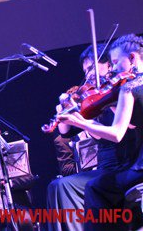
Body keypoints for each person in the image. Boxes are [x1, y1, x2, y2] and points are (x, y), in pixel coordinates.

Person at [46, 44, 137, 231]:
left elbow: (115, 133)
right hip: (105, 167)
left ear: (109, 65)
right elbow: (65, 132)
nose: (88, 75)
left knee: (65, 186)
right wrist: (63, 109)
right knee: (56, 186)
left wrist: (82, 121)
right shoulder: (96, 99)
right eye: (86, 71)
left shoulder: (122, 93)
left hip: (124, 164)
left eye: (92, 68)